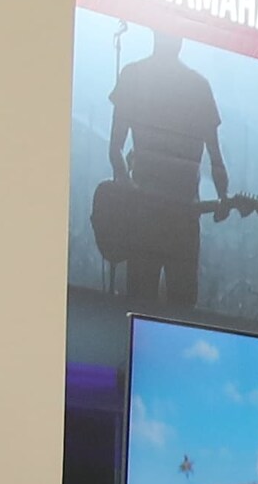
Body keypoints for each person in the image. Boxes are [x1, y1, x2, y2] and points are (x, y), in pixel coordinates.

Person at [97, 24, 235, 307]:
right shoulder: (198, 86)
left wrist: (128, 188)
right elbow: (216, 158)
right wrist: (223, 197)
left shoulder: (134, 75)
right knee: (180, 308)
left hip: (148, 217)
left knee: (141, 302)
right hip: (180, 219)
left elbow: (115, 149)